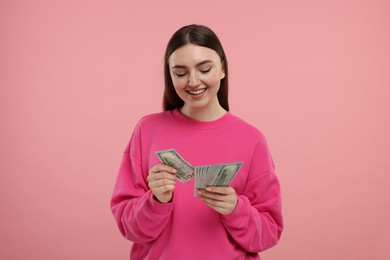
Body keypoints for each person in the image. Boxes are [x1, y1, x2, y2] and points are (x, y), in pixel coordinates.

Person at [110, 24, 283, 260]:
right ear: (170, 76)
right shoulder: (147, 130)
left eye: (204, 69)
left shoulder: (252, 140)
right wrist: (156, 201)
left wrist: (236, 209)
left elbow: (269, 233)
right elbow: (129, 228)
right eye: (180, 73)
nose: (193, 81)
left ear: (222, 68)